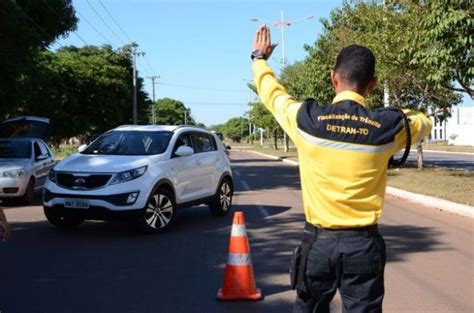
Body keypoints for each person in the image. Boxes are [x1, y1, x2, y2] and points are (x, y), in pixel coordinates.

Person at [250, 25, 431, 312]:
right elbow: (423, 121)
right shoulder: (388, 128)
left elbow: (273, 96)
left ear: (333, 78)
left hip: (318, 246)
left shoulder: (305, 120)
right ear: (372, 84)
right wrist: (392, 116)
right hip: (364, 248)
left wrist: (259, 60)